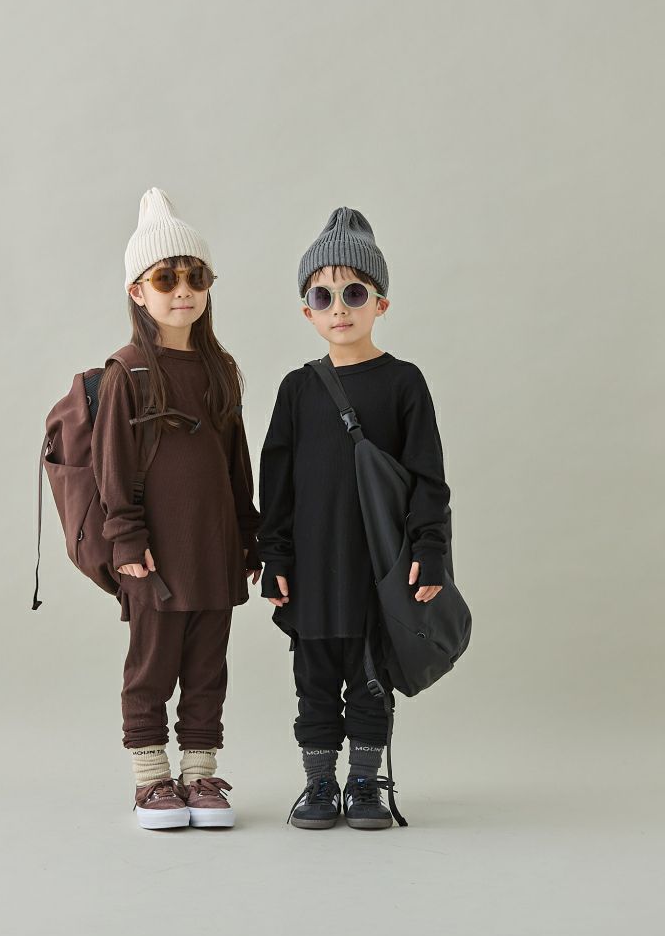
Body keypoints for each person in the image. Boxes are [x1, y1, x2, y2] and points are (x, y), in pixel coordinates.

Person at [258, 207, 451, 830]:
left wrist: (430, 549)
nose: (339, 307)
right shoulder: (297, 389)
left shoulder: (404, 383)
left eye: (354, 293)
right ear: (307, 311)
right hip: (313, 569)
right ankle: (319, 784)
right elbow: (276, 484)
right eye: (323, 295)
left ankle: (366, 783)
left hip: (379, 567)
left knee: (371, 680)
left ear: (381, 304)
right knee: (313, 681)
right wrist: (275, 556)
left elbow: (427, 477)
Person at [93, 187, 261, 829]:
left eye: (196, 278)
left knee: (207, 669)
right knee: (152, 666)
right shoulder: (128, 372)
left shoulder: (219, 367)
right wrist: (126, 540)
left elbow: (236, 465)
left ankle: (199, 776)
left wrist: (249, 537)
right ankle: (151, 781)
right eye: (166, 279)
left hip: (213, 549)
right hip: (154, 556)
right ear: (138, 292)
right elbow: (112, 469)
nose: (183, 291)